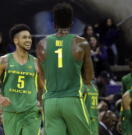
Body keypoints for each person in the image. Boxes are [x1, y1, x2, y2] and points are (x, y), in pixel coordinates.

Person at [36, 2, 94, 135]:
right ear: (71, 23)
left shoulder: (41, 44)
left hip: (50, 102)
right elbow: (89, 77)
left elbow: (41, 77)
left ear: (54, 24)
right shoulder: (81, 43)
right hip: (72, 99)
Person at [0, 24, 41, 135]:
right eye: (24, 37)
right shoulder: (4, 61)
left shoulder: (36, 63)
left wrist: (41, 102)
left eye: (29, 37)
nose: (28, 40)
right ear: (16, 40)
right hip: (10, 112)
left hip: (30, 112)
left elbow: (43, 87)